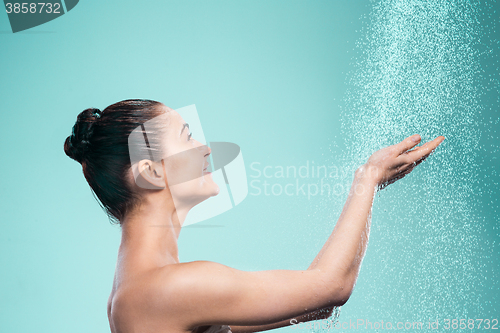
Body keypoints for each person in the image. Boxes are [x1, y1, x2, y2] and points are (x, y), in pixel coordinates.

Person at [64, 99, 444, 333]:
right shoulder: (169, 288)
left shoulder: (140, 291)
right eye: (187, 136)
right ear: (151, 173)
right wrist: (367, 178)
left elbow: (319, 303)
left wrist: (316, 296)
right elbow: (332, 287)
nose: (206, 149)